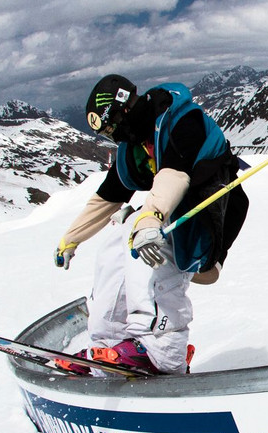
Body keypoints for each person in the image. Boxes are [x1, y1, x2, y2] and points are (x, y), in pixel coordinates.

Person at [53, 75, 248, 374]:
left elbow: (175, 174)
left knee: (143, 233)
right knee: (121, 231)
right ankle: (109, 341)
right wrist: (71, 238)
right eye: (108, 133)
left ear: (125, 108)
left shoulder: (183, 121)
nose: (115, 135)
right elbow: (109, 196)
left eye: (113, 125)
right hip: (167, 215)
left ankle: (162, 349)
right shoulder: (134, 147)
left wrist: (150, 216)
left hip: (206, 218)